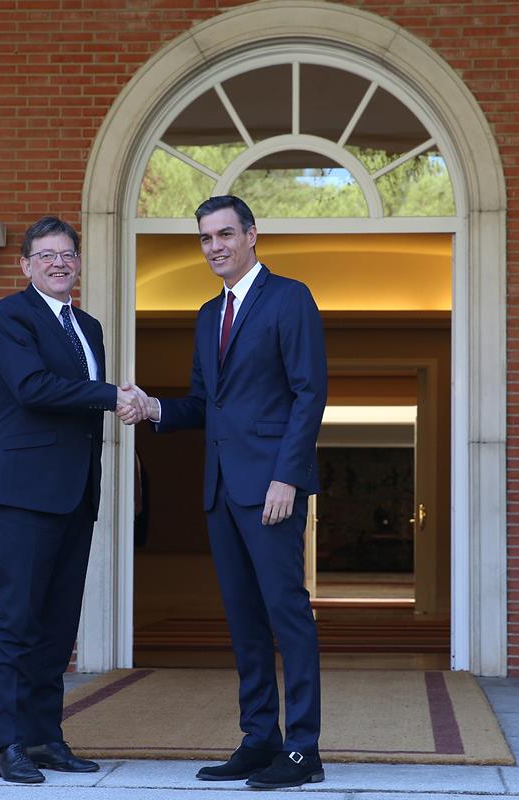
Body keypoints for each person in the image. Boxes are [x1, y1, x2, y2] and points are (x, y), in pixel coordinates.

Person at [130, 195, 328, 789]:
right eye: (205, 238)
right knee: (244, 622)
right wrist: (154, 408)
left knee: (286, 615)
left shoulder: (289, 298)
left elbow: (308, 394)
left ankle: (304, 749)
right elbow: (204, 405)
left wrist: (287, 477)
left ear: (251, 235)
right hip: (220, 489)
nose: (214, 246)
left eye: (224, 234)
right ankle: (259, 738)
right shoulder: (205, 314)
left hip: (272, 488)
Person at [0, 215, 147, 784]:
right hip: (24, 491)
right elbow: (33, 387)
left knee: (58, 623)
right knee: (19, 620)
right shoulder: (12, 315)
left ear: (78, 262)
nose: (58, 263)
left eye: (67, 253)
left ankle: (47, 737)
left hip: (74, 493)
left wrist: (108, 397)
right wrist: (111, 394)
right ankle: (10, 743)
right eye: (45, 255)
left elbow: (79, 403)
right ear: (25, 265)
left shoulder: (89, 326)